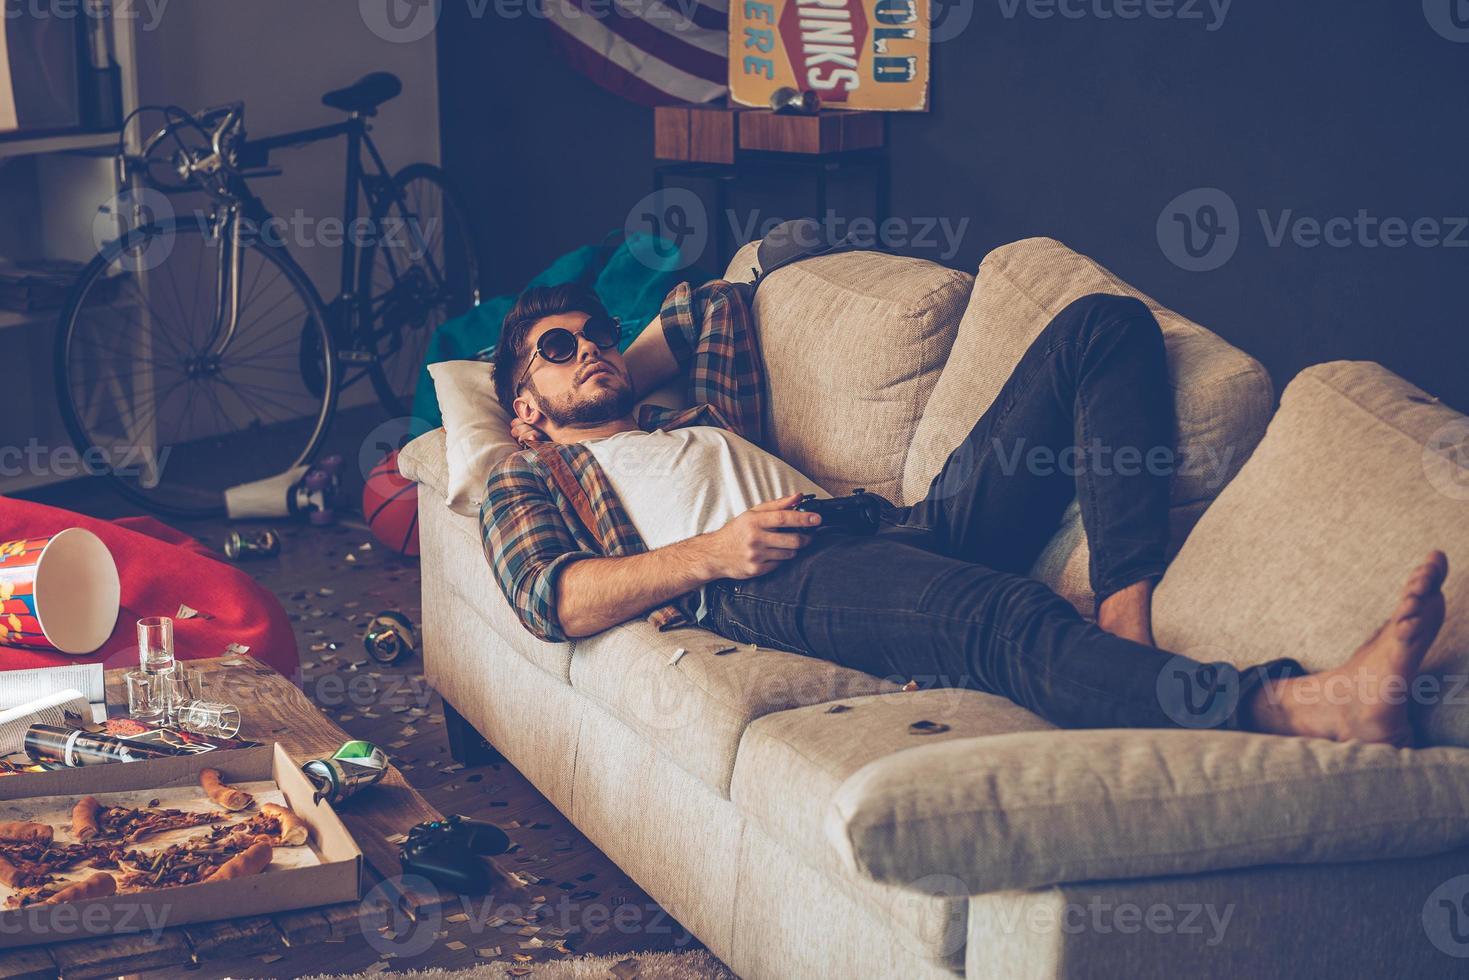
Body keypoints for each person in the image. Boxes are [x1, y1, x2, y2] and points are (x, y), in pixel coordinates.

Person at [480, 271, 1447, 744]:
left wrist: (606, 367)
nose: (589, 350)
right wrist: (709, 554)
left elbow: (717, 302)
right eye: (557, 352)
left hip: (883, 525)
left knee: (1097, 327)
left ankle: (1122, 607)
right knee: (1004, 618)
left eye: (595, 334)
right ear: (522, 406)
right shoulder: (528, 476)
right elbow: (549, 598)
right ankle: (1299, 704)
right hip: (765, 580)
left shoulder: (688, 412)